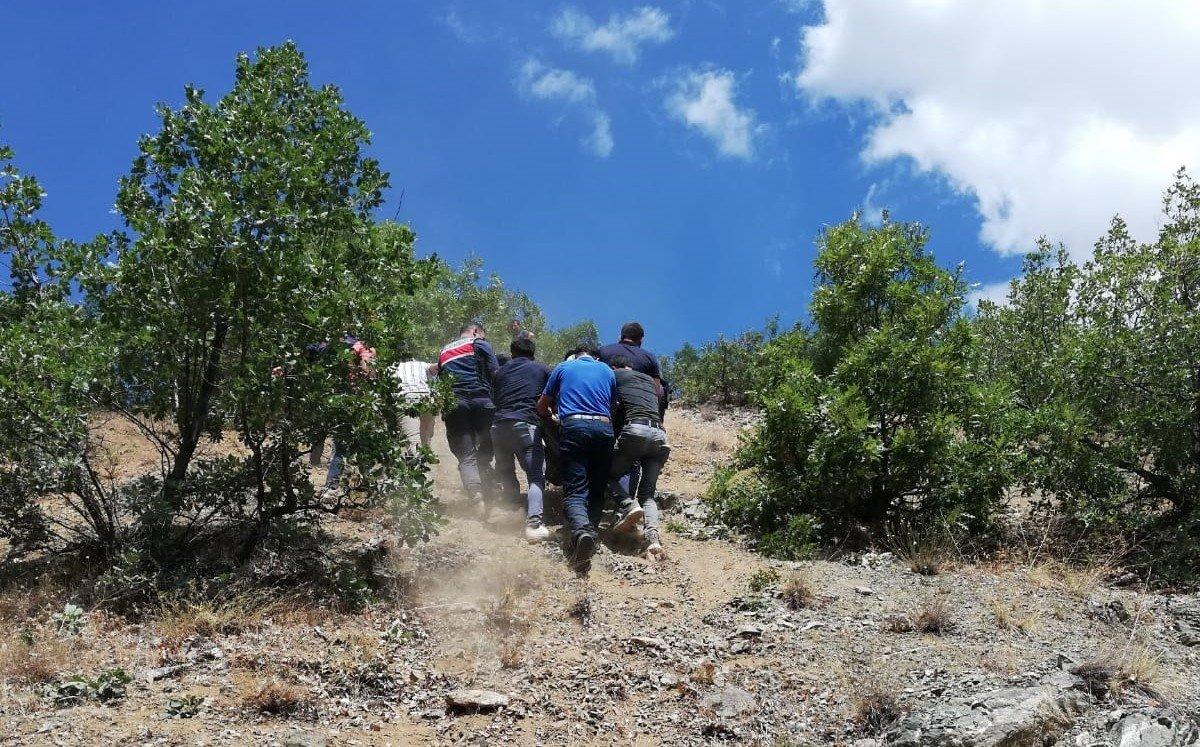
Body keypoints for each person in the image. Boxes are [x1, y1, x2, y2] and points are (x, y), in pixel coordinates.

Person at [537, 347, 617, 572]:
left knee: (575, 488)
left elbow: (542, 405)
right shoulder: (607, 371)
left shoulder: (563, 368)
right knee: (597, 488)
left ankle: (581, 530)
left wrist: (553, 419)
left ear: (575, 356)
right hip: (604, 428)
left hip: (574, 427)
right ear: (594, 357)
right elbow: (612, 406)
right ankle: (589, 534)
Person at [607, 355, 671, 558]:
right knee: (648, 494)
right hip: (660, 436)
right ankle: (653, 540)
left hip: (636, 430)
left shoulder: (615, 374)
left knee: (605, 474)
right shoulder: (648, 380)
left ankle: (629, 505)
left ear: (615, 366)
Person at [432, 323, 499, 511]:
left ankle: (477, 496)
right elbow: (495, 373)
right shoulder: (479, 343)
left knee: (465, 454)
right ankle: (491, 490)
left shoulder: (444, 351)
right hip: (482, 401)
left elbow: (442, 381)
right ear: (476, 331)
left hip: (454, 405)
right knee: (485, 447)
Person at [490, 336, 552, 541]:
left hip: (498, 426)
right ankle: (534, 524)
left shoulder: (499, 373)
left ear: (512, 353)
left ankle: (512, 511)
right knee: (535, 476)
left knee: (506, 470)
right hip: (526, 425)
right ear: (532, 354)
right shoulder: (542, 370)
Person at [327, 334, 377, 490]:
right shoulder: (364, 346)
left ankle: (331, 485)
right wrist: (372, 374)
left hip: (339, 399)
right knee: (364, 444)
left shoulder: (338, 347)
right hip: (358, 400)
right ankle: (367, 484)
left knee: (340, 447)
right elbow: (368, 369)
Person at [393, 351, 436, 458]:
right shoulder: (423, 364)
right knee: (426, 436)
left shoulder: (392, 367)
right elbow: (436, 367)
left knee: (413, 438)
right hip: (427, 398)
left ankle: (418, 467)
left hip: (406, 397)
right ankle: (425, 457)